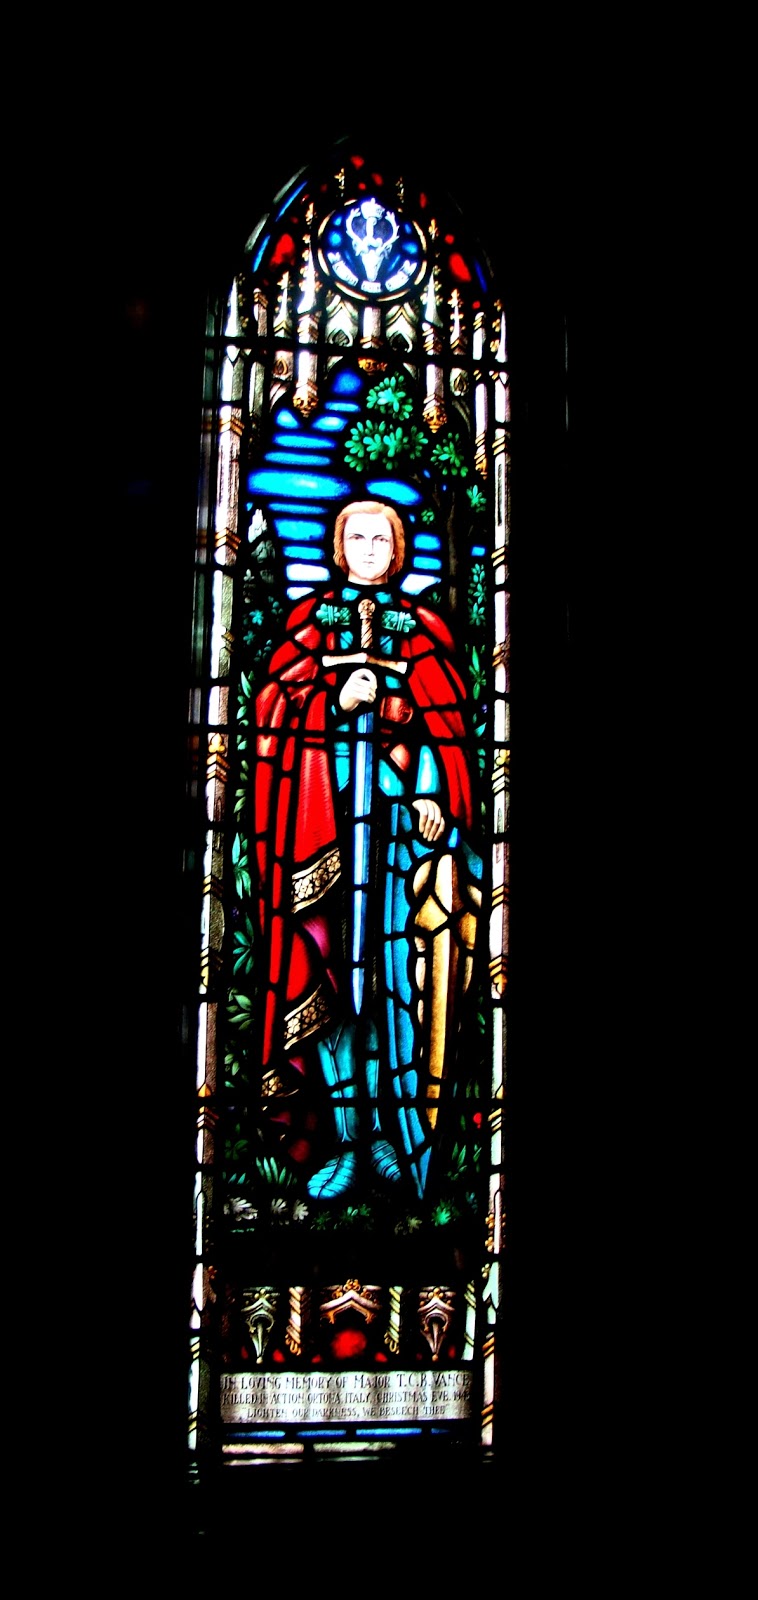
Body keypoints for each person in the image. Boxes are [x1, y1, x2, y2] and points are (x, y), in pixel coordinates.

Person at [252, 501, 482, 1201]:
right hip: (323, 835)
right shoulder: (307, 625)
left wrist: (432, 794)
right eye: (357, 536)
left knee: (388, 987)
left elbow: (448, 732)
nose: (371, 546)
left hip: (396, 844)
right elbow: (271, 710)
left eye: (384, 537)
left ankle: (388, 1135)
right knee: (332, 986)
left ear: (400, 550)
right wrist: (331, 699)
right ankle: (345, 1141)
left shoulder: (426, 634)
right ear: (338, 547)